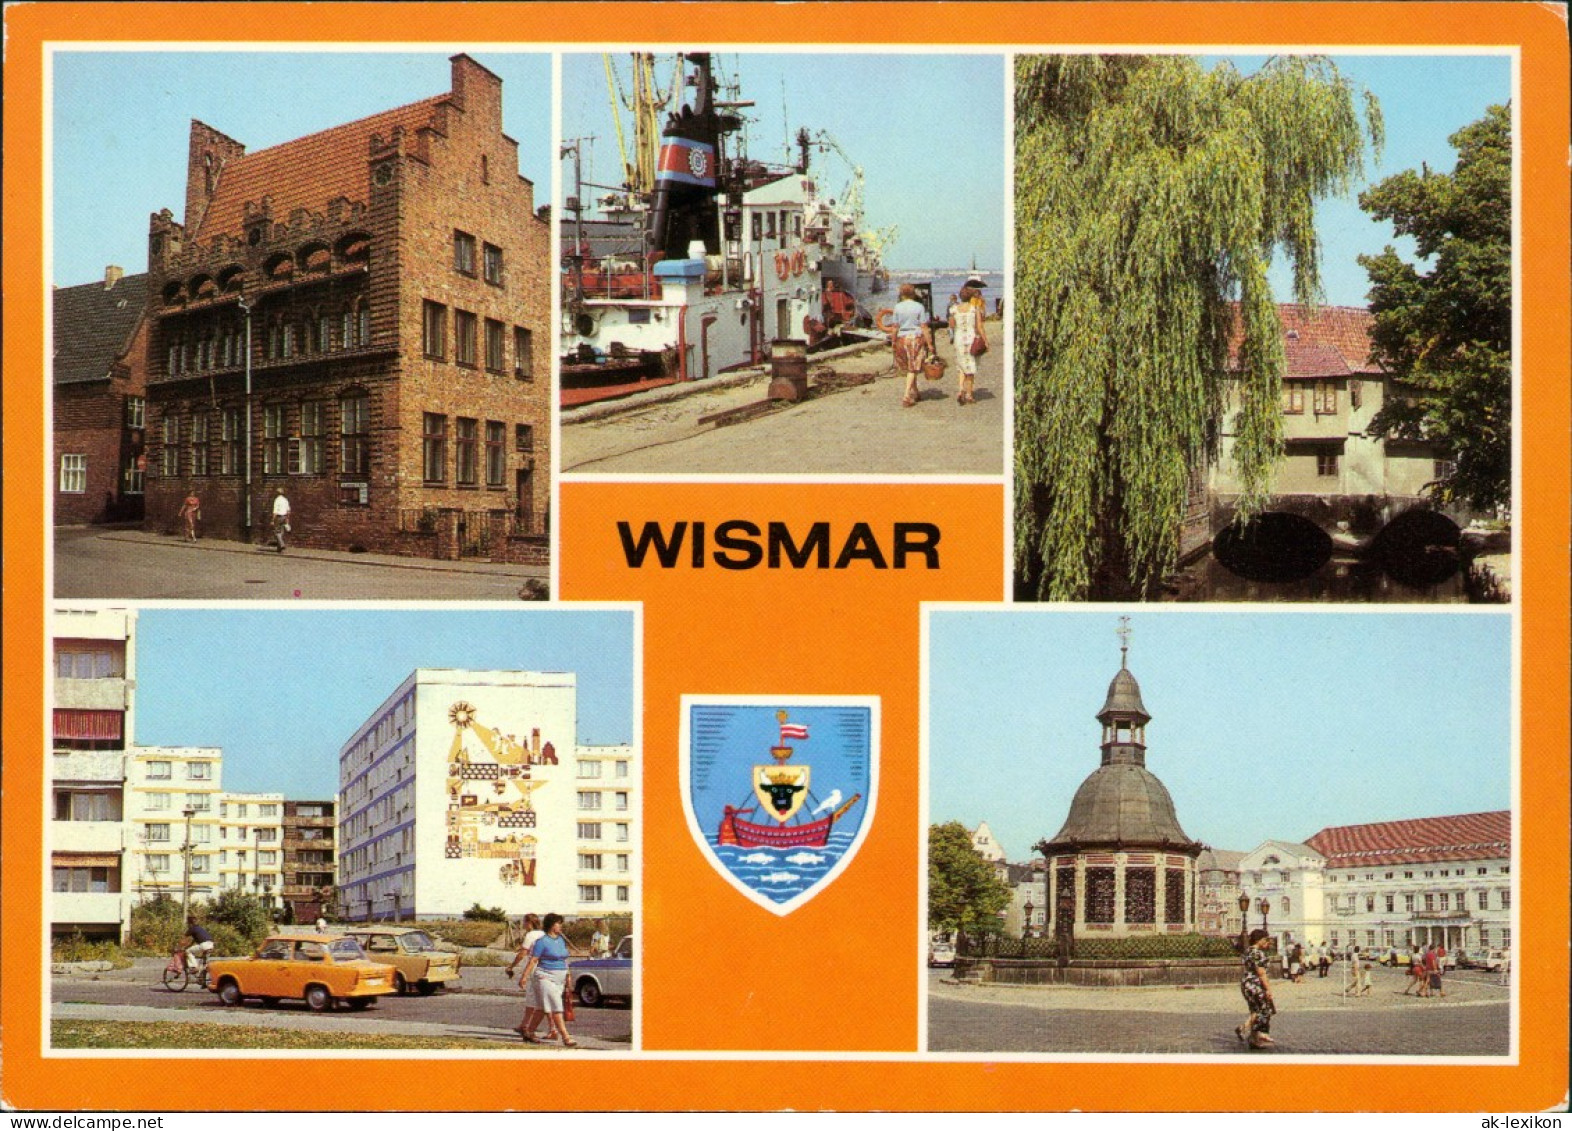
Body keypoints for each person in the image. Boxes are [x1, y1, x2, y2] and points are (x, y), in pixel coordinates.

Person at [517, 912, 578, 1047]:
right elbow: (533, 960)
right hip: (544, 976)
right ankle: (566, 1036)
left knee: (541, 1007)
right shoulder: (542, 941)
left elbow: (563, 959)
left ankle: (530, 1032)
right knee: (556, 1006)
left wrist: (568, 976)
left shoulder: (560, 940)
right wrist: (524, 977)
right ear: (551, 925)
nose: (561, 926)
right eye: (558, 924)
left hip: (559, 978)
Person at [888, 283, 933, 408]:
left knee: (909, 367)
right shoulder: (919, 306)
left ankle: (915, 392)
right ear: (913, 293)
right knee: (913, 368)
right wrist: (929, 343)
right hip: (915, 338)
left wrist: (893, 341)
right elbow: (924, 326)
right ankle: (906, 396)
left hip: (902, 338)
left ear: (901, 294)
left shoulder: (897, 307)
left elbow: (895, 326)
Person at [505, 913, 547, 1041]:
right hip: (546, 968)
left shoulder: (530, 935)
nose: (523, 925)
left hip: (534, 970)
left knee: (534, 999)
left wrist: (511, 966)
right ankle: (524, 1025)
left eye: (524, 922)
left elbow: (522, 953)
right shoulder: (543, 934)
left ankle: (528, 1027)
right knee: (542, 999)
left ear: (529, 923)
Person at [1236, 927, 1276, 1049]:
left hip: (1246, 983)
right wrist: (1268, 989)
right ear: (1259, 940)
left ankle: (1253, 1039)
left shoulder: (1248, 951)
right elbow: (1261, 973)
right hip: (1255, 984)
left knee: (1255, 1009)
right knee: (1264, 1009)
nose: (1267, 942)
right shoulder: (1258, 953)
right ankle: (1247, 1029)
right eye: (1265, 939)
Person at [949, 284, 988, 406]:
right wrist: (985, 340)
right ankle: (969, 394)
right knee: (970, 366)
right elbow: (979, 327)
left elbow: (951, 325)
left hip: (959, 338)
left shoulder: (954, 309)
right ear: (971, 296)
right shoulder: (974, 309)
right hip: (971, 338)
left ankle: (961, 390)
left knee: (961, 365)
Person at [269, 487, 291, 552]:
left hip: (279, 517)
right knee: (281, 532)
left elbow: (275, 511)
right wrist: (287, 518)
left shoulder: (277, 500)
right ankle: (279, 548)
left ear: (277, 493)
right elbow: (288, 510)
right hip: (285, 517)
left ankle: (281, 544)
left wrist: (272, 520)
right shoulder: (285, 500)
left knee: (276, 532)